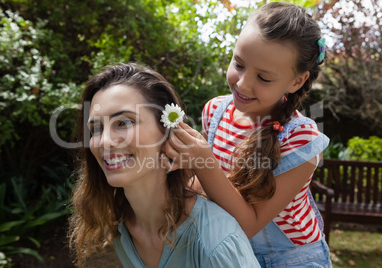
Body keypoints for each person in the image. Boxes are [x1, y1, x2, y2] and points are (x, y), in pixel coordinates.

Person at [163, 2, 332, 267]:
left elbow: (249, 224)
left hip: (290, 260)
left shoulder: (301, 140)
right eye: (239, 64)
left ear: (297, 81)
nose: (242, 83)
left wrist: (201, 159)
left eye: (263, 78)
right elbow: (210, 185)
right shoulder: (215, 112)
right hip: (228, 250)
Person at [68, 63, 260, 268]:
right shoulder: (121, 228)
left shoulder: (217, 244)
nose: (104, 141)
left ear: (167, 131)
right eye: (96, 128)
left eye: (123, 123)